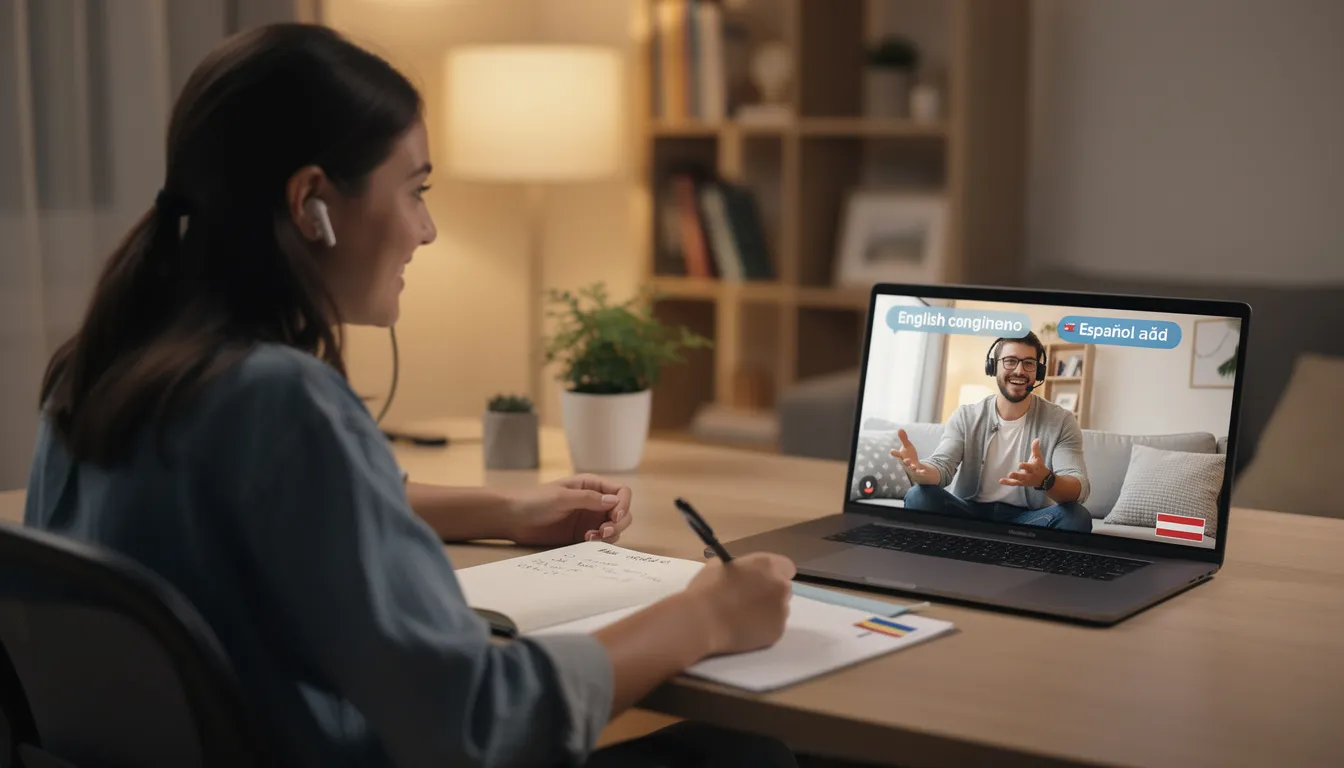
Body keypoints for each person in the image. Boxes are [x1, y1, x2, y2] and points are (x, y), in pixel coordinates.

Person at [23, 23, 799, 767]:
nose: (425, 230)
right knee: (752, 752)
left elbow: (272, 510)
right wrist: (704, 615)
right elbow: (474, 724)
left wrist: (507, 509)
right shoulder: (283, 401)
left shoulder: (98, 373)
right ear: (311, 204)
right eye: (414, 189)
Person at [891, 332, 1093, 533]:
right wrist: (921, 470)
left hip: (1027, 519)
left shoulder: (1061, 421)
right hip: (968, 512)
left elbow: (1079, 485)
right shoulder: (966, 416)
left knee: (1077, 517)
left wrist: (1046, 479)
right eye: (1010, 361)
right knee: (918, 496)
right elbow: (942, 465)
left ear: (1038, 372)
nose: (1020, 370)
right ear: (993, 366)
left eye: (1029, 363)